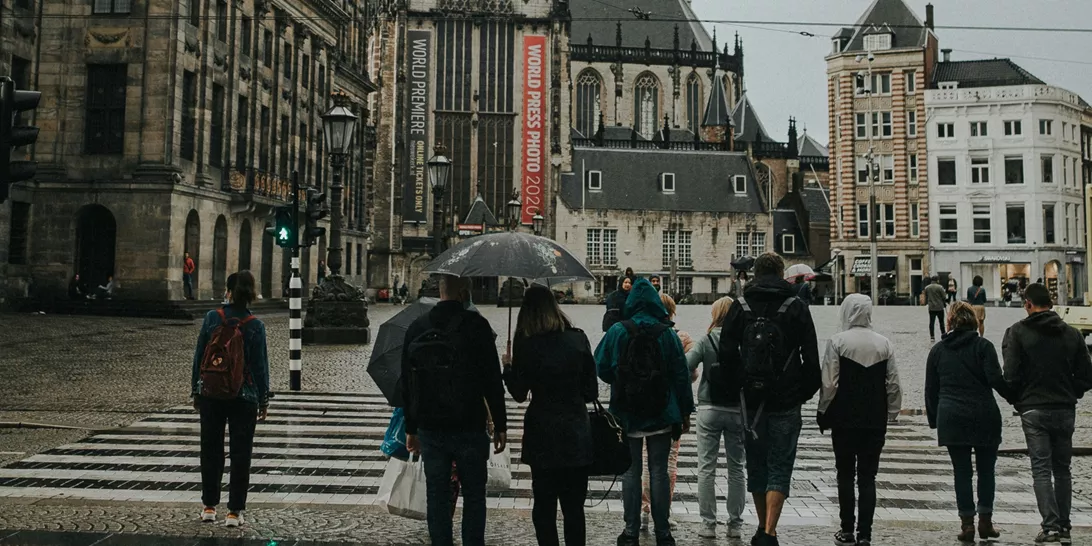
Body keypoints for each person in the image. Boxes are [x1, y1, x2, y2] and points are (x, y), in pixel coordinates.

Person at [718, 253, 821, 546]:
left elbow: (726, 354)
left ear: (755, 273)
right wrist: (801, 393)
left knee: (757, 462)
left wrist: (739, 385)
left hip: (751, 400)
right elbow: (811, 359)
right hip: (786, 398)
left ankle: (761, 525)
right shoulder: (796, 306)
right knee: (780, 463)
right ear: (781, 273)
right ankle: (769, 531)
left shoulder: (740, 305)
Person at [401, 274, 507, 546]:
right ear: (464, 294)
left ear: (440, 291)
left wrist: (410, 428)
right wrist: (501, 424)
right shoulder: (478, 326)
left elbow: (408, 384)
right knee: (474, 494)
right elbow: (492, 380)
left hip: (431, 425)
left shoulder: (417, 327)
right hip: (469, 423)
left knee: (436, 493)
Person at [595, 277, 694, 546]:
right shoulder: (667, 333)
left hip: (627, 413)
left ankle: (630, 531)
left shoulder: (618, 330)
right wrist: (685, 412)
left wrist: (620, 378)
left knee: (631, 472)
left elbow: (600, 366)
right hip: (662, 411)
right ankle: (663, 532)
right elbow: (681, 376)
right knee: (659, 471)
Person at [502, 285, 598, 546]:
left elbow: (520, 394)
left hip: (542, 432)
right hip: (576, 431)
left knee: (544, 507)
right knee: (573, 509)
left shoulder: (527, 343)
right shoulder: (578, 338)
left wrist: (508, 368)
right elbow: (591, 392)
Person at [1002, 283, 1092, 545]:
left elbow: (1011, 375)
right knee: (1063, 469)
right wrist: (1072, 392)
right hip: (1064, 408)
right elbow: (1087, 376)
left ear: (1028, 304)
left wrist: (1019, 400)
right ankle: (1064, 525)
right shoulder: (1072, 334)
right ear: (1050, 304)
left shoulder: (1017, 332)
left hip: (1033, 408)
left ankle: (1050, 526)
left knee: (1041, 469)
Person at [818, 294, 902, 546]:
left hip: (844, 417)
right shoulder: (884, 344)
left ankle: (846, 530)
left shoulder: (838, 342)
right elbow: (893, 384)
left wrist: (823, 410)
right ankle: (865, 533)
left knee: (844, 473)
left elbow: (829, 383)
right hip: (874, 418)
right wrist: (893, 412)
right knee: (868, 476)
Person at [925, 302, 1011, 543]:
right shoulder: (984, 347)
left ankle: (967, 524)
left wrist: (935, 420)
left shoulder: (939, 350)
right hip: (984, 415)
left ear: (950, 322)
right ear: (974, 323)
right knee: (986, 471)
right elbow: (996, 379)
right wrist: (1016, 398)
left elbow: (931, 390)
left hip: (952, 417)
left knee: (961, 472)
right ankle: (986, 522)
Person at [191, 270, 269, 528]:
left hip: (212, 393)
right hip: (244, 395)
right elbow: (260, 366)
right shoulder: (255, 325)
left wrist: (196, 389)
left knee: (210, 449)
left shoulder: (213, 317)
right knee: (241, 453)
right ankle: (234, 512)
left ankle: (209, 507)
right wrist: (264, 398)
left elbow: (200, 355)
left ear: (229, 290)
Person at [685, 296, 746, 539]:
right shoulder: (743, 341)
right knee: (736, 468)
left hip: (709, 408)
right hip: (736, 409)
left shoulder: (706, 340)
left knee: (706, 468)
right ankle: (735, 523)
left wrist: (696, 374)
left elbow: (686, 365)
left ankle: (708, 524)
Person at [636, 293, 692, 532]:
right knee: (667, 463)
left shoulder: (635, 333)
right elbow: (689, 374)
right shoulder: (680, 337)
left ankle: (643, 509)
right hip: (671, 408)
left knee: (644, 461)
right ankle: (663, 512)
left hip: (640, 406)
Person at [924, 277, 948, 342]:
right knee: (941, 322)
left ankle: (932, 336)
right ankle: (943, 334)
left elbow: (926, 296)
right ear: (937, 280)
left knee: (931, 322)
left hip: (931, 307)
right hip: (939, 307)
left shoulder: (927, 288)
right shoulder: (940, 287)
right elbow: (944, 296)